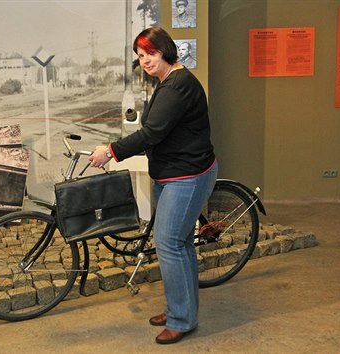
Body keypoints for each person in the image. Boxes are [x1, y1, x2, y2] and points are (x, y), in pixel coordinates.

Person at [89, 27, 217, 345]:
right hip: (172, 175)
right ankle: (181, 309)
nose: (145, 60)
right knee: (180, 244)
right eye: (141, 55)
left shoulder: (177, 85)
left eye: (150, 53)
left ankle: (182, 318)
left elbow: (152, 133)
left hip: (186, 177)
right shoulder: (169, 81)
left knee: (170, 244)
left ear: (165, 51)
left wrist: (111, 151)